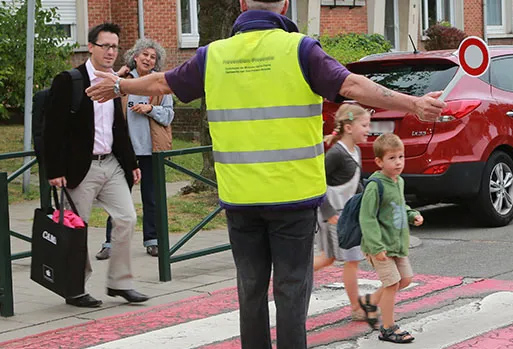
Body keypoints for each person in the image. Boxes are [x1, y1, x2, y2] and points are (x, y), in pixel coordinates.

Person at [85, 1, 445, 347]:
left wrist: (120, 85)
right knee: (291, 291)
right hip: (293, 198)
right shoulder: (302, 50)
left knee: (251, 289)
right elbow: (352, 86)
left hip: (241, 198)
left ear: (243, 5)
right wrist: (413, 103)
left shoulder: (214, 55)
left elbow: (163, 83)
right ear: (285, 6)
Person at [43, 23, 148, 308]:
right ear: (91, 47)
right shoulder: (70, 80)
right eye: (106, 46)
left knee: (127, 218)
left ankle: (120, 283)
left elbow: (117, 125)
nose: (111, 52)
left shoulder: (115, 81)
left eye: (115, 47)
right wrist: (54, 171)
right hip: (80, 168)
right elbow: (52, 129)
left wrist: (131, 162)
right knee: (77, 229)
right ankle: (75, 287)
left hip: (111, 164)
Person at [97, 38, 174, 260]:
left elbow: (169, 115)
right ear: (135, 57)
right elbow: (102, 105)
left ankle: (153, 241)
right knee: (117, 199)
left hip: (151, 150)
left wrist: (151, 109)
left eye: (153, 57)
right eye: (145, 55)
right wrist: (120, 74)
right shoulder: (122, 81)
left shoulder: (161, 84)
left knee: (151, 198)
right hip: (124, 152)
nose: (149, 59)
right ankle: (110, 244)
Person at [312, 104, 375, 326]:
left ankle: (293, 273)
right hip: (333, 215)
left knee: (343, 259)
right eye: (364, 125)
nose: (369, 129)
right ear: (348, 127)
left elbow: (354, 183)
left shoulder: (355, 151)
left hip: (346, 215)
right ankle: (357, 308)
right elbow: (318, 181)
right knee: (348, 259)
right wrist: (328, 212)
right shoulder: (337, 154)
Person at [359, 133, 423, 343]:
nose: (398, 162)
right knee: (392, 284)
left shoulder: (399, 181)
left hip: (397, 244)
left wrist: (411, 214)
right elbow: (367, 218)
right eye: (392, 158)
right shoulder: (375, 185)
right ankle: (387, 328)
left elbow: (399, 205)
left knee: (405, 280)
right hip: (379, 246)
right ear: (379, 161)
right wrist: (376, 247)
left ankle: (371, 301)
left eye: (401, 157)